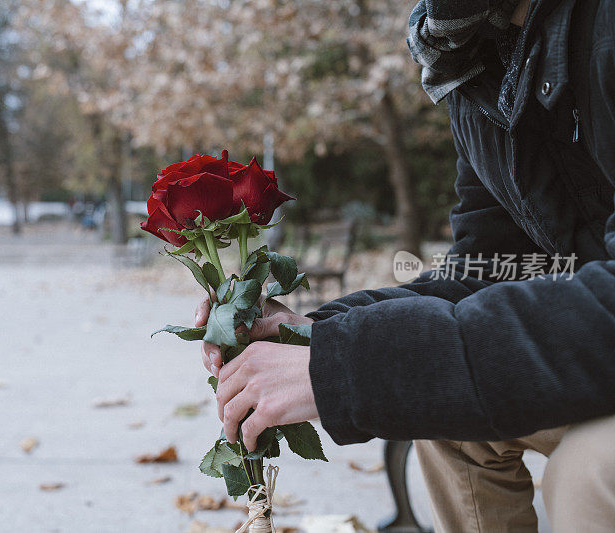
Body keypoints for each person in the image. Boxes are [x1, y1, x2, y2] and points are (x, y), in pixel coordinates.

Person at [194, 0, 615, 531]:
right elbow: (486, 273)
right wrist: (318, 336)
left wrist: (350, 368)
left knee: (590, 471)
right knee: (447, 415)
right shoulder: (473, 60)